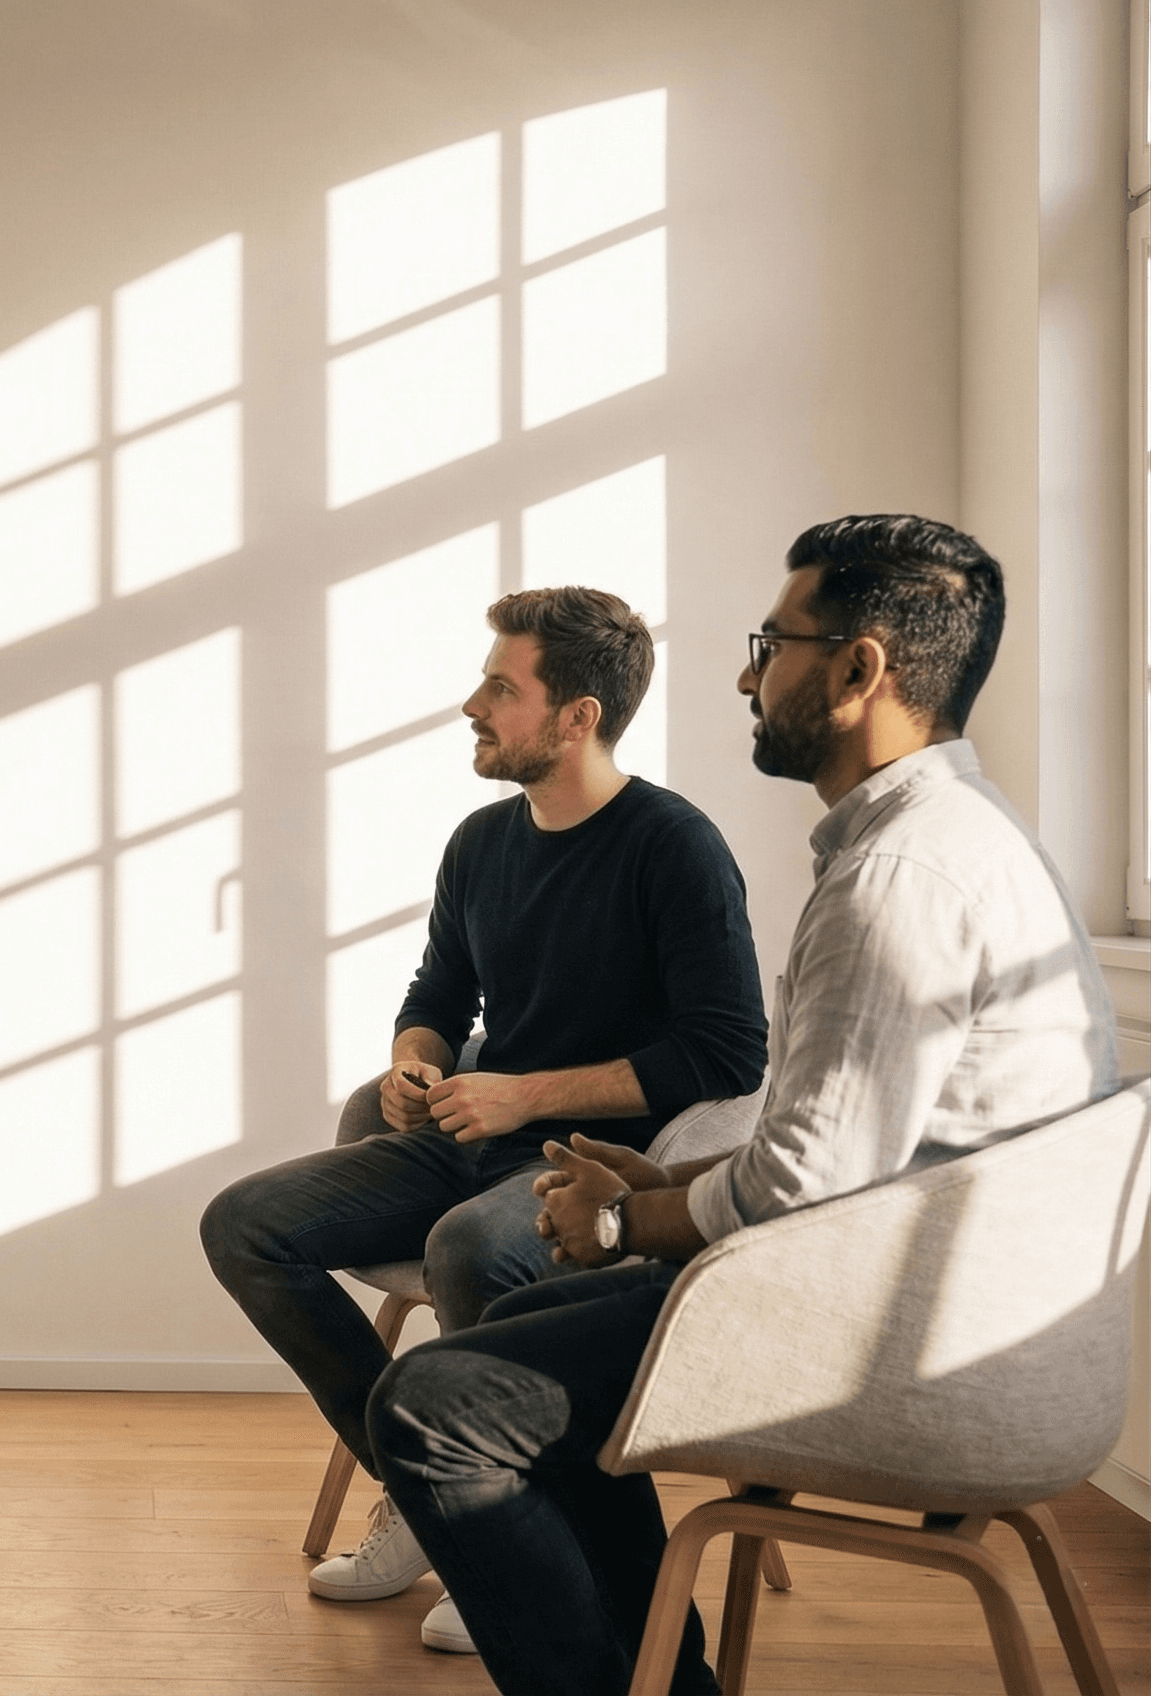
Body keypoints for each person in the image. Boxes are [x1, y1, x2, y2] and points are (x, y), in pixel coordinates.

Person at [366, 515, 1120, 1696]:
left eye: (770, 642)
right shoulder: (954, 836)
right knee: (502, 1315)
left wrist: (623, 1224)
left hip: (909, 1346)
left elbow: (809, 1177)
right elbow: (853, 1145)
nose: (742, 674)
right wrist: (659, 1188)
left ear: (860, 668)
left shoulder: (897, 876)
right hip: (928, 1297)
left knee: (431, 1403)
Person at [200, 587, 767, 1629]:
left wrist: (525, 1093)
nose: (473, 703)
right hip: (464, 1141)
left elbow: (727, 1050)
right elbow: (434, 999)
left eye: (499, 688)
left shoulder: (672, 845)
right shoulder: (479, 842)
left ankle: (506, 1528)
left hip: (595, 1166)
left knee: (468, 1247)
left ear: (576, 715)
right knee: (242, 1223)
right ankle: (439, 1498)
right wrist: (414, 1065)